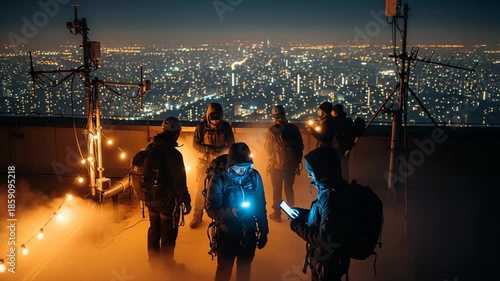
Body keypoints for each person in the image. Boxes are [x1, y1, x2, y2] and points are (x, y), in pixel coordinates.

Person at [205, 142, 269, 281]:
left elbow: (260, 204)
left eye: (247, 167)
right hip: (226, 234)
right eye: (239, 168)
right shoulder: (219, 179)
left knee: (245, 270)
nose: (243, 172)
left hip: (249, 233)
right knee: (224, 271)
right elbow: (211, 209)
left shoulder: (254, 176)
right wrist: (231, 212)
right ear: (230, 165)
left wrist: (264, 231)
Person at [288, 146, 350, 281]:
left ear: (323, 171)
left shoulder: (331, 197)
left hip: (327, 265)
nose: (309, 175)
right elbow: (322, 219)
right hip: (328, 262)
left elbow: (324, 240)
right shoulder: (331, 189)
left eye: (311, 171)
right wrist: (301, 214)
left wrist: (296, 225)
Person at [145, 117, 192, 270]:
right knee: (168, 232)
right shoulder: (174, 155)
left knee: (154, 229)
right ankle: (166, 267)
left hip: (150, 197)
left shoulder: (150, 147)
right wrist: (186, 200)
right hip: (166, 200)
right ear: (177, 133)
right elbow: (179, 182)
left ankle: (154, 264)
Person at [191, 102, 235, 228]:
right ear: (208, 116)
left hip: (221, 163)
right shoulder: (201, 127)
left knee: (222, 189)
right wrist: (208, 150)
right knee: (201, 188)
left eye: (218, 119)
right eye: (213, 119)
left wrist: (222, 152)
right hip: (206, 162)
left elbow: (232, 143)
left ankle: (220, 216)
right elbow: (195, 144)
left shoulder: (225, 127)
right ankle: (197, 215)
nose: (215, 122)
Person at [264, 105, 304, 222]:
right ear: (284, 114)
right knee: (289, 188)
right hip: (291, 165)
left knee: (277, 190)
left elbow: (268, 149)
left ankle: (277, 214)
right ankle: (291, 213)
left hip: (276, 165)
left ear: (274, 116)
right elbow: (300, 146)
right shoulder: (294, 128)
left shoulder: (272, 130)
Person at [332, 103, 351, 181]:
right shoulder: (348, 121)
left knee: (335, 166)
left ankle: (336, 183)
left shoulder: (334, 121)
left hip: (336, 147)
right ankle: (345, 182)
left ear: (334, 112)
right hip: (346, 147)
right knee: (344, 166)